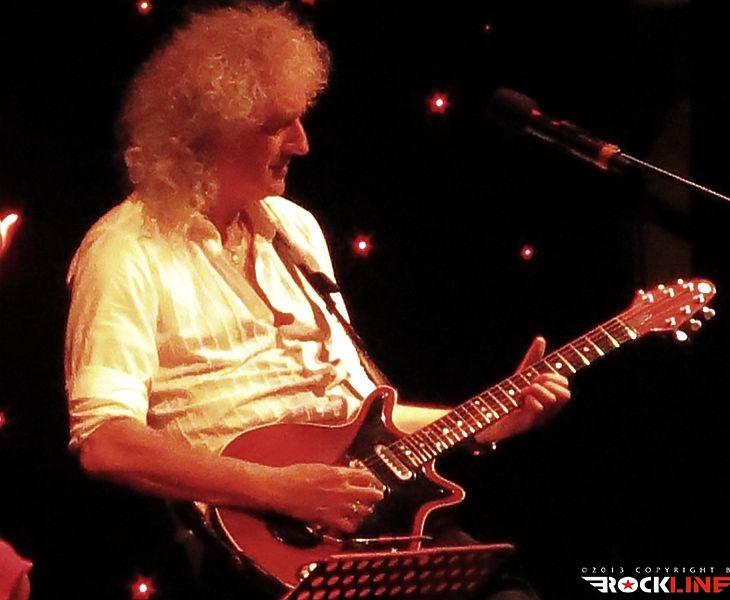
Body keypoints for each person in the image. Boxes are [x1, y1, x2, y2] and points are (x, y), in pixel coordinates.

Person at [64, 3, 570, 598]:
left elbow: (358, 417)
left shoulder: (295, 229)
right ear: (209, 131)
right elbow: (106, 444)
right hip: (257, 547)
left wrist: (488, 422)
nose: (302, 144)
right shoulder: (125, 249)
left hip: (366, 522)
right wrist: (277, 489)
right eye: (278, 125)